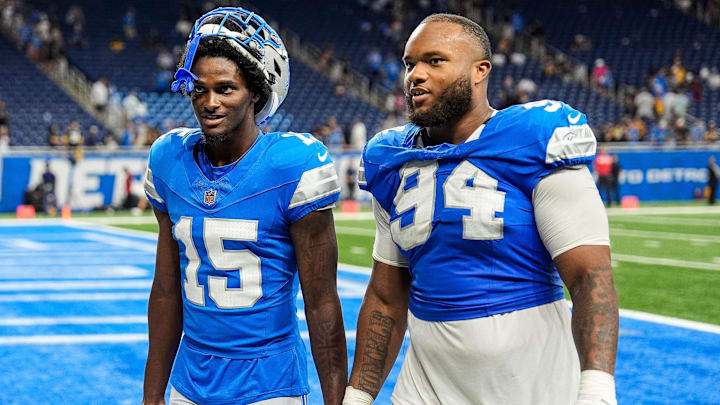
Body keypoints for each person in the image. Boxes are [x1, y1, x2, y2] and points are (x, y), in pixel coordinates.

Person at [343, 14, 618, 405]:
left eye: (434, 61)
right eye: (409, 63)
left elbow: (590, 275)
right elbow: (387, 297)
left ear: (479, 71)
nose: (415, 75)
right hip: (426, 386)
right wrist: (358, 396)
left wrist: (597, 389)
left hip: (532, 383)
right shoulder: (392, 160)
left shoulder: (532, 140)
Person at [142, 8, 347, 405]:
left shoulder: (291, 164)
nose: (209, 102)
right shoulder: (169, 159)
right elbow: (167, 289)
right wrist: (153, 396)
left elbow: (321, 300)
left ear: (255, 91)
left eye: (225, 88)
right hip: (190, 382)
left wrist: (335, 400)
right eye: (199, 89)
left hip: (268, 385)